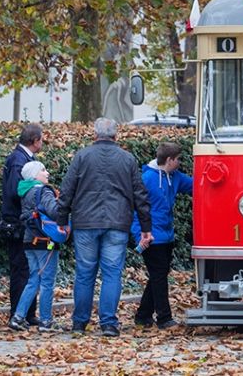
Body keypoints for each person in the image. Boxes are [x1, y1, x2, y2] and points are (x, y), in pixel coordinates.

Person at [57, 117, 153, 337]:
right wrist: (145, 227)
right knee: (112, 274)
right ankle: (108, 323)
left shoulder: (82, 156)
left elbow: (67, 190)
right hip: (117, 223)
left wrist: (62, 220)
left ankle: (80, 323)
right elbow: (140, 195)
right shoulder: (127, 159)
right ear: (116, 137)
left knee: (84, 273)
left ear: (94, 135)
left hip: (85, 223)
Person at [132, 142, 193, 329]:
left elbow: (194, 185)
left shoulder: (173, 177)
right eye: (178, 159)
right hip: (151, 236)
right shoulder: (148, 179)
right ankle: (164, 318)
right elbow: (137, 210)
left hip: (166, 235)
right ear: (169, 160)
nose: (181, 162)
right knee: (159, 276)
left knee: (158, 275)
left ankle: (143, 315)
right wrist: (138, 236)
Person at [8, 161, 63, 332]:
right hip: (44, 242)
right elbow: (55, 211)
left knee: (33, 280)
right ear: (34, 174)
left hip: (28, 241)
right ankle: (46, 321)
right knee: (47, 282)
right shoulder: (42, 190)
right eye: (43, 170)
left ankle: (18, 317)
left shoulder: (25, 191)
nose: (47, 173)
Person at [0, 123, 44, 325]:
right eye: (41, 139)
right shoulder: (20, 161)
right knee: (22, 269)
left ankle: (26, 313)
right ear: (34, 141)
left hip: (18, 221)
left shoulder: (20, 158)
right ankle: (20, 313)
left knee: (26, 269)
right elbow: (14, 191)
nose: (43, 143)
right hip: (18, 222)